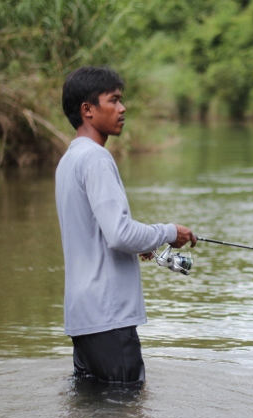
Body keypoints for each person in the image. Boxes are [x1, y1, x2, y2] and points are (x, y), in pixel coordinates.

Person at [55, 66, 197, 386]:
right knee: (126, 412)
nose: (123, 109)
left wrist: (143, 244)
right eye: (114, 100)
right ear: (87, 110)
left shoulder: (69, 160)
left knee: (93, 412)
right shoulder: (96, 159)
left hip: (83, 319)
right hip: (109, 319)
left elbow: (97, 234)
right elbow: (119, 234)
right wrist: (170, 232)